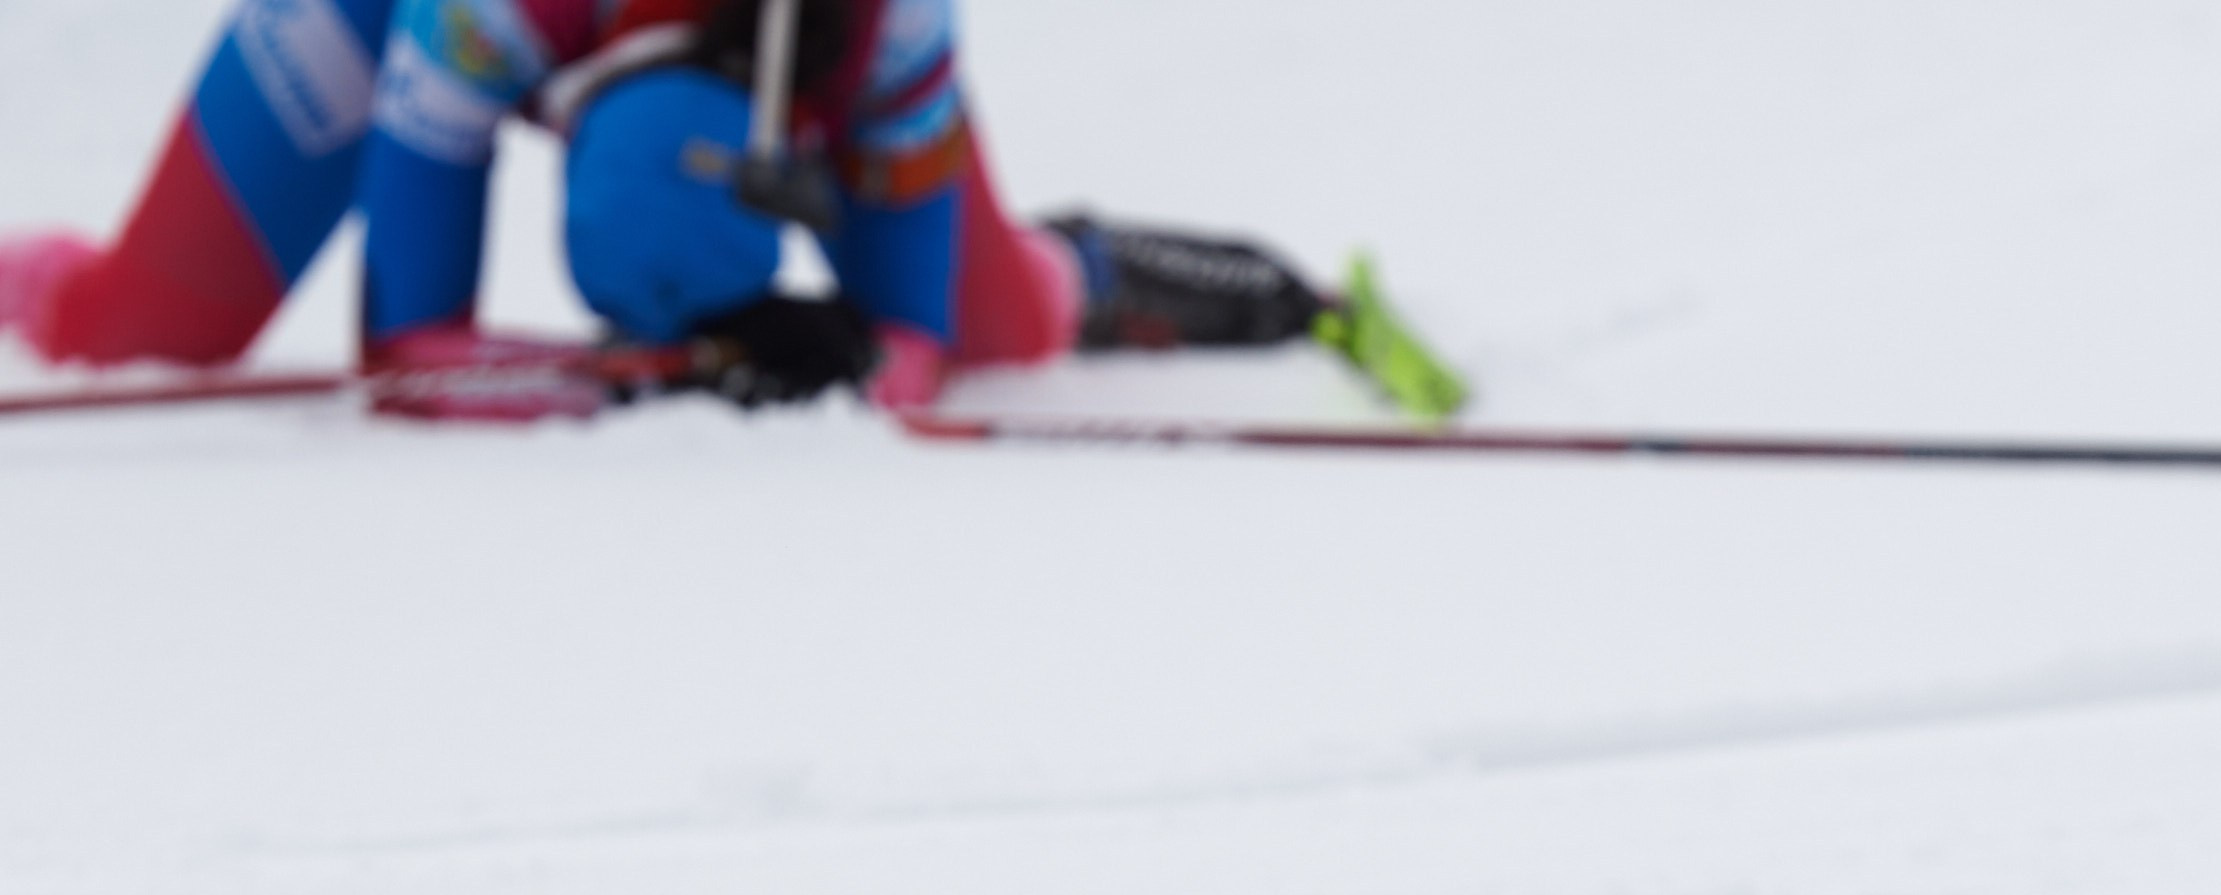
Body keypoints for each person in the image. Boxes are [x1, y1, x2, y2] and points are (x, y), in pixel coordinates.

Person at [0, 0, 1322, 413]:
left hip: (802, 66)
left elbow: (910, 351)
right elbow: (406, 358)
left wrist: (851, 357)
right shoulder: (481, 20)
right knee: (144, 322)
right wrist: (664, 373)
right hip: (369, 30)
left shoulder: (886, 29)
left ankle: (1080, 266)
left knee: (1000, 330)